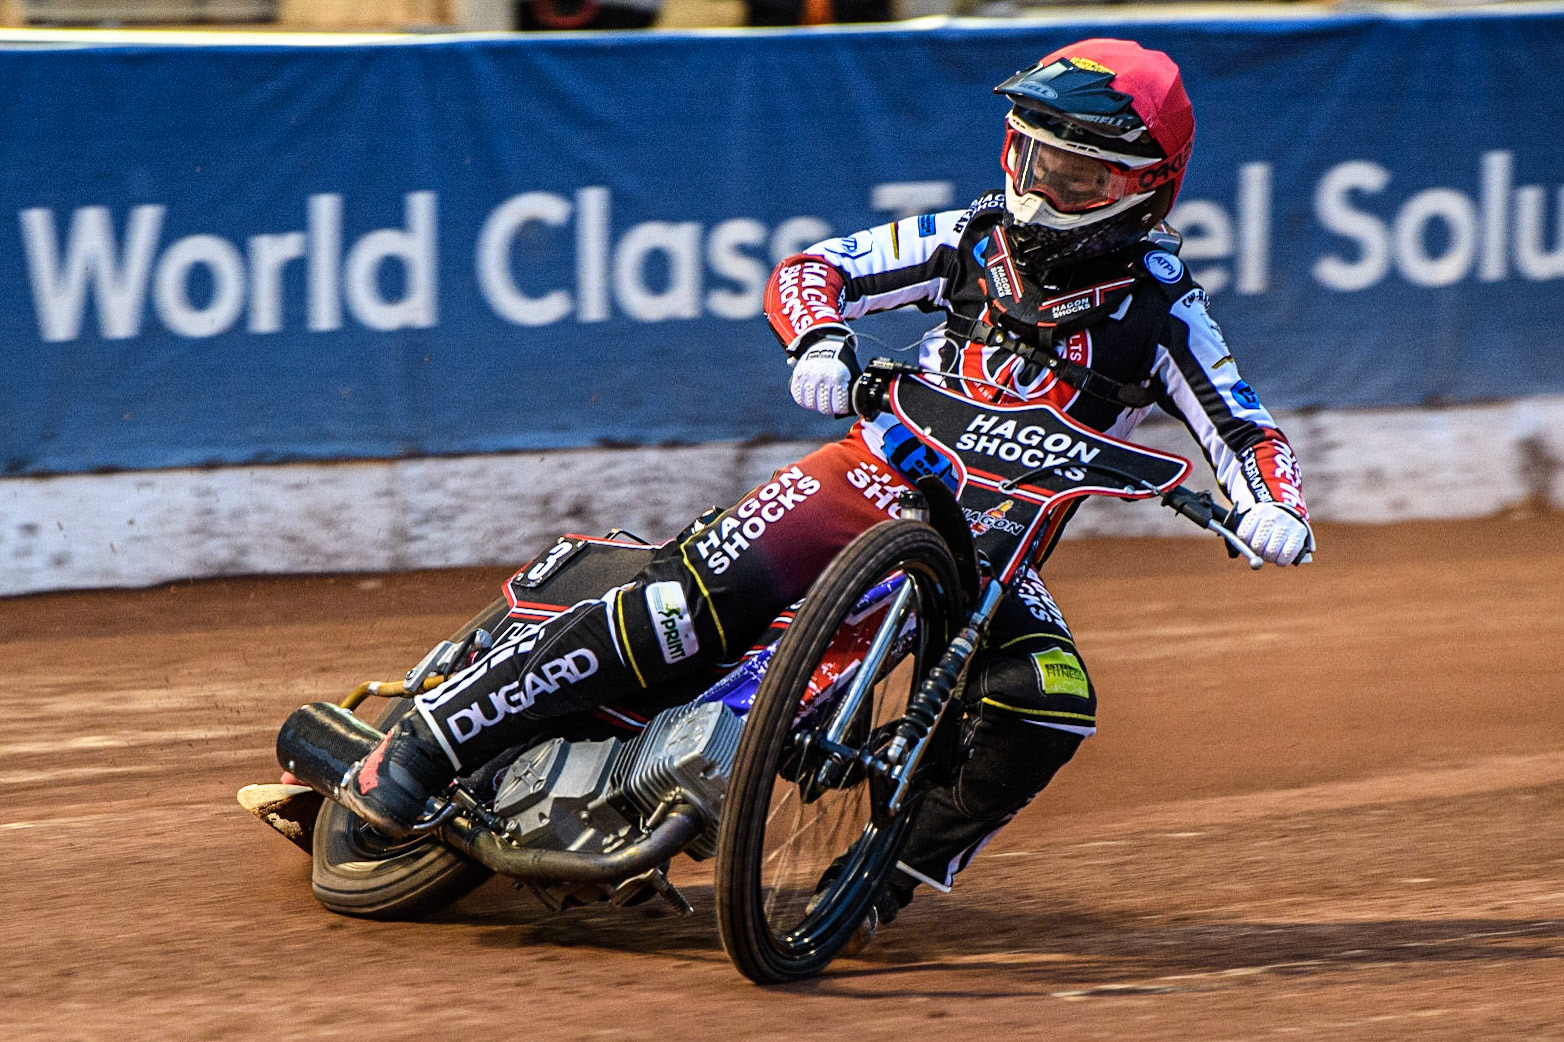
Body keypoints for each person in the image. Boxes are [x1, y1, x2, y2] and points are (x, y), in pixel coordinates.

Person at [337, 38, 1313, 939]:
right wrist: (819, 339)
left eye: (1070, 174)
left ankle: (876, 878)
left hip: (994, 552)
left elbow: (1245, 429)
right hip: (872, 473)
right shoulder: (971, 237)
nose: (1035, 187)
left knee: (1046, 701)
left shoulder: (1165, 311)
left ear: (1143, 189)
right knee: (688, 600)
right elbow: (815, 268)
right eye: (1026, 157)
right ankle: (422, 743)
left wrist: (1274, 507)